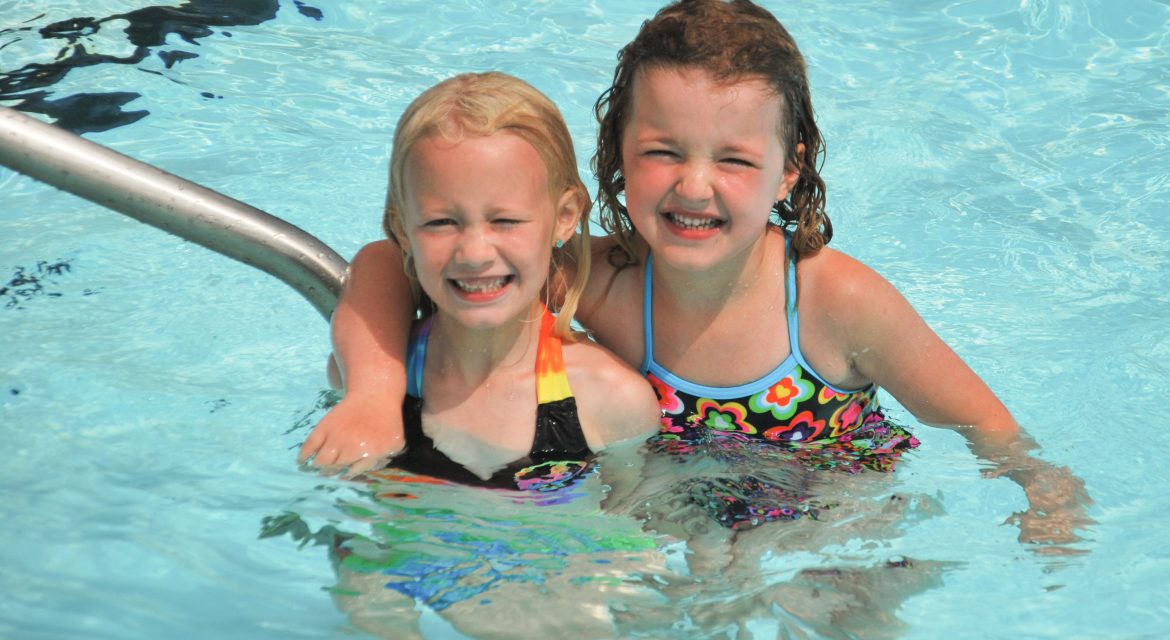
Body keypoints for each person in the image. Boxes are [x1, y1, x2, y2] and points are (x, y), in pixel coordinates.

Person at [303, 1, 1090, 547]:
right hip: (682, 510)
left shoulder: (831, 302)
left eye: (736, 160)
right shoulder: (598, 275)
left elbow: (987, 426)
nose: (693, 186)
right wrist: (374, 396)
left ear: (789, 172)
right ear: (617, 152)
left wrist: (1045, 494)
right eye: (663, 152)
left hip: (835, 509)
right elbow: (385, 264)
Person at [299, 71, 660, 489]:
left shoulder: (610, 401)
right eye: (441, 222)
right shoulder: (368, 382)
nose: (474, 253)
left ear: (564, 218)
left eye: (505, 221)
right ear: (403, 229)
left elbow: (631, 538)